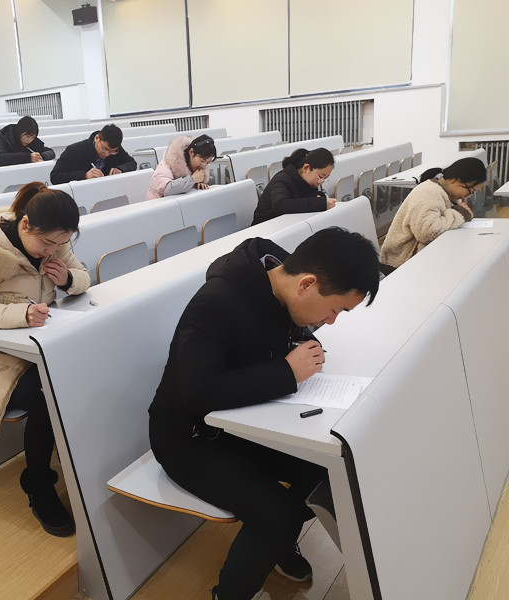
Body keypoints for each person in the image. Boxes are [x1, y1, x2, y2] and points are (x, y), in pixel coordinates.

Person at [148, 227, 380, 600]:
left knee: (330, 473)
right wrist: (286, 373)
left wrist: (305, 343)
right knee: (276, 515)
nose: (331, 321)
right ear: (307, 285)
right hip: (190, 437)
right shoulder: (215, 303)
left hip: (245, 422)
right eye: (335, 310)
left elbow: (274, 335)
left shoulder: (282, 279)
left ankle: (274, 544)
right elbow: (198, 393)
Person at [0, 182, 90, 537]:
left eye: (61, 243)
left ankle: (83, 461)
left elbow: (82, 276)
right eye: (47, 243)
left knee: (82, 372)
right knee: (49, 391)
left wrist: (69, 278)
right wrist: (20, 314)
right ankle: (38, 482)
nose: (52, 250)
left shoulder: (55, 241)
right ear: (25, 225)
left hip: (38, 347)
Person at [379, 157, 484, 275]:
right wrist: (460, 213)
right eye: (470, 191)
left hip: (417, 259)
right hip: (401, 263)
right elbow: (427, 232)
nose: (467, 196)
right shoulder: (428, 193)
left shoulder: (447, 193)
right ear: (455, 180)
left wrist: (460, 212)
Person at [251, 148, 337, 225]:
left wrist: (319, 197)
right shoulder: (283, 180)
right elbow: (280, 205)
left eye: (325, 178)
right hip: (265, 227)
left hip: (288, 224)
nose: (321, 183)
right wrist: (320, 203)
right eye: (321, 177)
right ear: (306, 168)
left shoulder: (308, 181)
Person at [49, 123, 137, 184]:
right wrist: (84, 175)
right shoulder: (74, 150)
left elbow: (132, 163)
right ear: (97, 138)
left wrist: (120, 169)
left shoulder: (116, 150)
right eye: (104, 149)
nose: (107, 154)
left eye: (112, 152)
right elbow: (55, 177)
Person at [147, 135, 216, 199]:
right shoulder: (166, 165)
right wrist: (192, 180)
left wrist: (196, 184)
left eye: (208, 163)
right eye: (202, 161)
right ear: (191, 152)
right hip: (157, 204)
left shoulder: (193, 166)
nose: (204, 165)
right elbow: (167, 190)